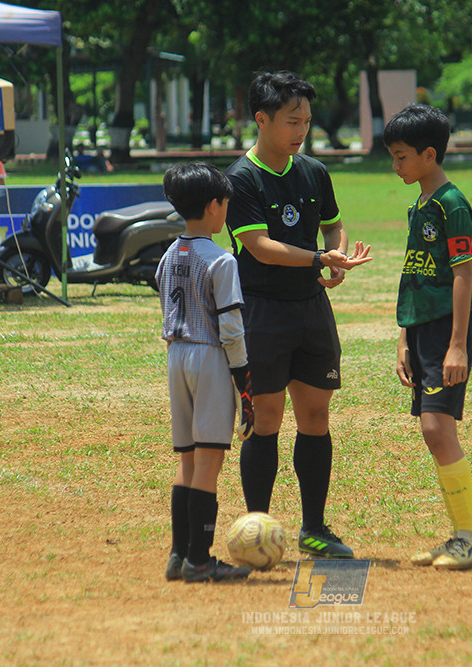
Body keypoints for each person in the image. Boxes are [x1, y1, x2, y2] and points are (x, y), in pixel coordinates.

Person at [224, 71, 372, 559]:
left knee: (315, 413)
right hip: (262, 310)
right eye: (292, 120)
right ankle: (257, 527)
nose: (301, 129)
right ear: (261, 119)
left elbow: (333, 227)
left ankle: (314, 527)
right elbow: (260, 247)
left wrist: (339, 256)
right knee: (265, 418)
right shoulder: (240, 179)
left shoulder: (313, 171)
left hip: (310, 308)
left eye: (306, 120)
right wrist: (317, 260)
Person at [384, 104, 472, 570]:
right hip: (422, 330)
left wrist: (458, 343)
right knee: (433, 431)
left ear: (429, 154)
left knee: (435, 428)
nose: (395, 165)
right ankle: (459, 536)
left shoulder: (452, 205)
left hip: (449, 329)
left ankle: (470, 537)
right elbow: (413, 274)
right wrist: (404, 339)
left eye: (402, 156)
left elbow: (463, 276)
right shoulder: (419, 206)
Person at [156, 161, 255, 583]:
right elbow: (231, 329)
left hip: (176, 355)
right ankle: (200, 559)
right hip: (209, 357)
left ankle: (179, 555)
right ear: (214, 206)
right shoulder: (221, 260)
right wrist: (244, 383)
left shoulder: (168, 253)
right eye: (226, 204)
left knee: (188, 459)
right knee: (210, 463)